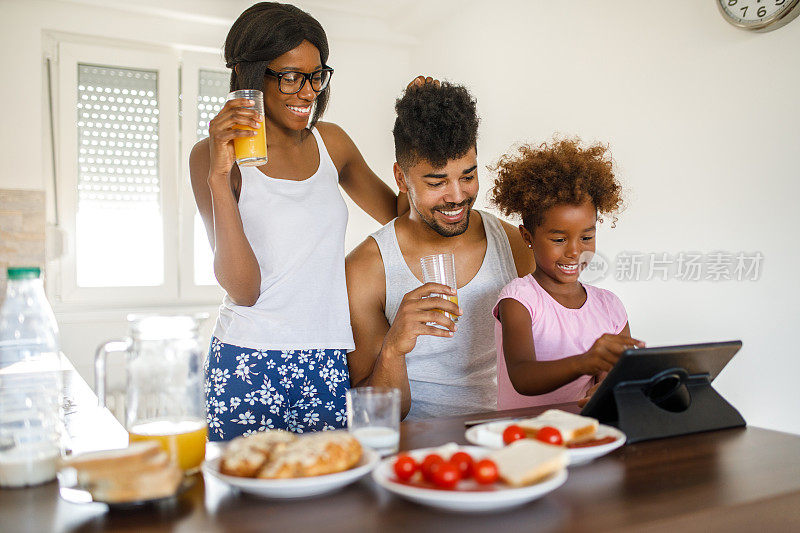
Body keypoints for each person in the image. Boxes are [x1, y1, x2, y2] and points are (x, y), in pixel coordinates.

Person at [189, 2, 407, 440]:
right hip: (248, 359)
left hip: (327, 357)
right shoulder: (211, 157)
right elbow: (243, 289)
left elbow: (403, 218)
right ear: (252, 75)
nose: (307, 92)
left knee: (329, 495)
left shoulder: (332, 144)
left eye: (316, 76)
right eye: (290, 76)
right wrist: (218, 174)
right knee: (245, 500)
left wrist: (418, 121)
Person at [345, 82, 535, 419]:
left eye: (468, 176)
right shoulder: (366, 268)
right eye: (436, 183)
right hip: (419, 448)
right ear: (401, 179)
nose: (457, 195)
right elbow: (375, 416)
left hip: (504, 436)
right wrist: (393, 348)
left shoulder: (515, 245)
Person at [489, 137, 645, 410]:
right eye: (559, 240)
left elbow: (609, 382)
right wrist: (585, 361)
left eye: (586, 238)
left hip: (583, 433)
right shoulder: (518, 299)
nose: (574, 251)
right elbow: (522, 377)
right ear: (527, 236)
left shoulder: (609, 307)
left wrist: (608, 386)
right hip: (523, 436)